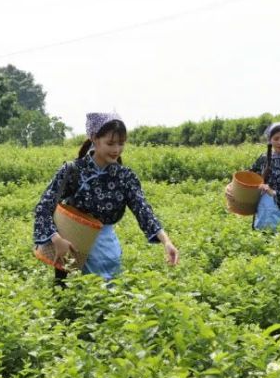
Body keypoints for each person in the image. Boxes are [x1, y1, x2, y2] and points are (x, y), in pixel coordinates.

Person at [33, 112, 179, 281]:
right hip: (72, 251)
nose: (117, 149)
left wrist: (166, 241)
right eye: (110, 143)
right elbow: (44, 207)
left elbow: (143, 210)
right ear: (95, 139)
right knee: (72, 300)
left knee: (108, 298)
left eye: (121, 143)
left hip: (107, 252)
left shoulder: (125, 176)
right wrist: (57, 239)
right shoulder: (73, 170)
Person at [228, 121, 280, 230]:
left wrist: (273, 193)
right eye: (276, 138)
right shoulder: (263, 159)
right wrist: (232, 187)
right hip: (262, 211)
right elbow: (249, 177)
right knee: (260, 240)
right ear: (270, 140)